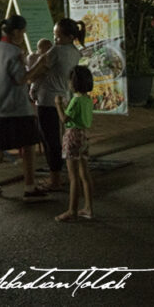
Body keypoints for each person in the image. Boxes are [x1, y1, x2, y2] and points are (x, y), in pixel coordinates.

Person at [0, 15, 48, 201]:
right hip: (17, 107)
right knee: (28, 146)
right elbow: (20, 79)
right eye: (23, 32)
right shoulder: (12, 52)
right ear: (17, 32)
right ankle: (30, 187)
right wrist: (39, 65)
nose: (22, 36)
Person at [26, 19, 86, 191]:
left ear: (70, 36)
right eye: (55, 36)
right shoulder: (75, 52)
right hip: (64, 99)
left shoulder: (57, 51)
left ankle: (55, 179)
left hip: (48, 100)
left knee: (50, 140)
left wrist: (25, 77)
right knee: (57, 138)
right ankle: (60, 175)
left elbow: (37, 69)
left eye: (58, 36)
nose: (55, 40)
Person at [54, 65, 94, 222]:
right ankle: (89, 208)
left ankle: (72, 210)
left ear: (74, 82)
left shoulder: (75, 100)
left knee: (73, 177)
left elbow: (64, 119)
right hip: (84, 135)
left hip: (72, 136)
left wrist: (58, 104)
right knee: (85, 174)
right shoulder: (87, 99)